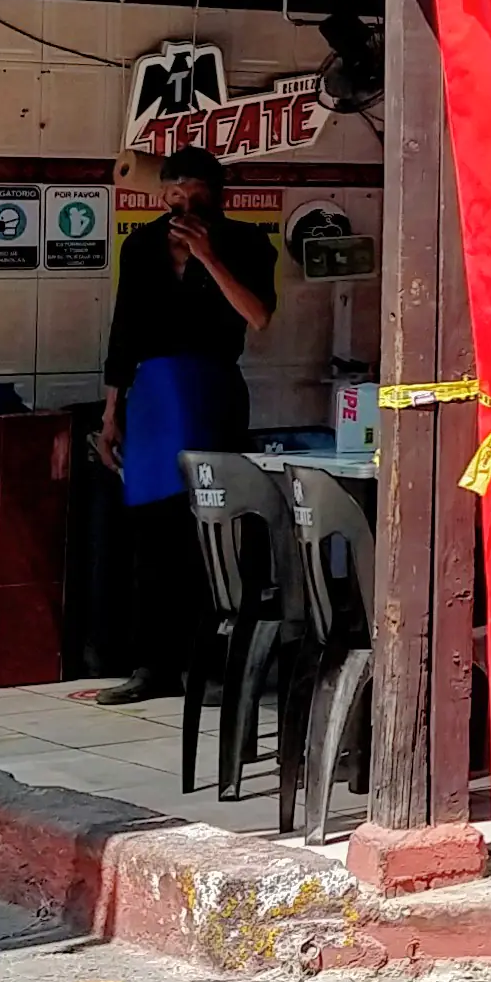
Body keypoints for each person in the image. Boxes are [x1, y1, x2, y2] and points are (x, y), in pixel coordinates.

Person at [91, 148, 278, 701]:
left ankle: (215, 664)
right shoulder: (142, 244)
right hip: (151, 395)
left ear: (218, 197)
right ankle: (152, 666)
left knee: (215, 528)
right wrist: (110, 409)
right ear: (162, 195)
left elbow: (260, 316)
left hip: (212, 389)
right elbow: (123, 330)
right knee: (154, 531)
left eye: (198, 196)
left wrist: (208, 255)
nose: (186, 206)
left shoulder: (246, 243)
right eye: (176, 196)